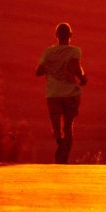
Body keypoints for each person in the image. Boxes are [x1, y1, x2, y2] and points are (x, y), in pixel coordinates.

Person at [35, 22, 86, 163]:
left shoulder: (48, 53)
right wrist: (82, 78)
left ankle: (59, 142)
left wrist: (51, 67)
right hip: (70, 94)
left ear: (56, 35)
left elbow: (38, 72)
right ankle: (63, 157)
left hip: (53, 95)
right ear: (70, 35)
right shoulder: (75, 51)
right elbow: (75, 67)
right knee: (68, 126)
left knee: (57, 128)